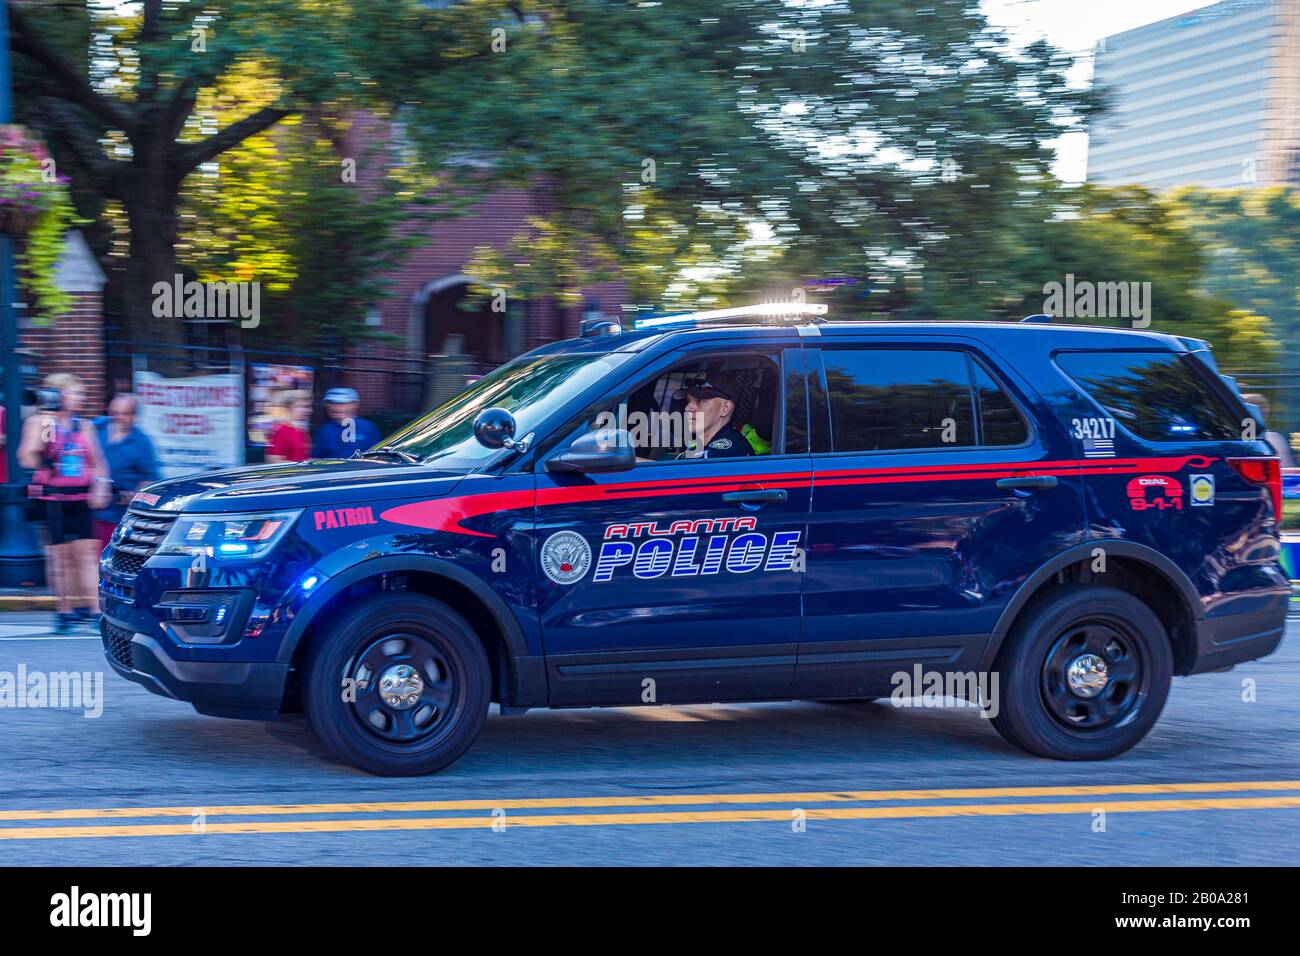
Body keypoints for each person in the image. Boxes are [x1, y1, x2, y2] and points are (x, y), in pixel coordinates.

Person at [18, 373, 110, 633]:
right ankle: (65, 611)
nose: (80, 398)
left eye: (81, 393)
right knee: (60, 557)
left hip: (80, 496)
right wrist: (48, 421)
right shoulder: (41, 422)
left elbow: (98, 461)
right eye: (74, 393)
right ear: (57, 395)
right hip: (52, 498)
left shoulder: (84, 426)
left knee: (87, 554)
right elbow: (28, 458)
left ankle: (94, 611)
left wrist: (101, 484)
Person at [92, 393, 160, 547]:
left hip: (119, 516)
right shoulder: (96, 429)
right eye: (114, 413)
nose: (119, 418)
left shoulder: (142, 442)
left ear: (134, 416)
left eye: (125, 414)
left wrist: (133, 495)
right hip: (90, 511)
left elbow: (149, 479)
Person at [672, 371, 755, 460]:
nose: (687, 408)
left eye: (701, 401)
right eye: (688, 401)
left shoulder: (729, 451)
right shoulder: (698, 442)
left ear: (725, 408)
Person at [313, 387, 381, 459]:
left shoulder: (368, 428)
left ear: (355, 404)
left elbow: (376, 456)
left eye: (342, 403)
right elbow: (317, 458)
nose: (337, 407)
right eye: (332, 403)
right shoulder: (324, 430)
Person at [1242, 393, 1295, 467]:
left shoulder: (1274, 438)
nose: (1265, 411)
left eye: (1264, 407)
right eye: (1262, 407)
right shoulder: (1275, 438)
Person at [266, 389, 313, 463]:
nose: (309, 410)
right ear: (290, 407)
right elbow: (272, 461)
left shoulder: (301, 431)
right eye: (304, 407)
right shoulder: (281, 431)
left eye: (308, 407)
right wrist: (300, 466)